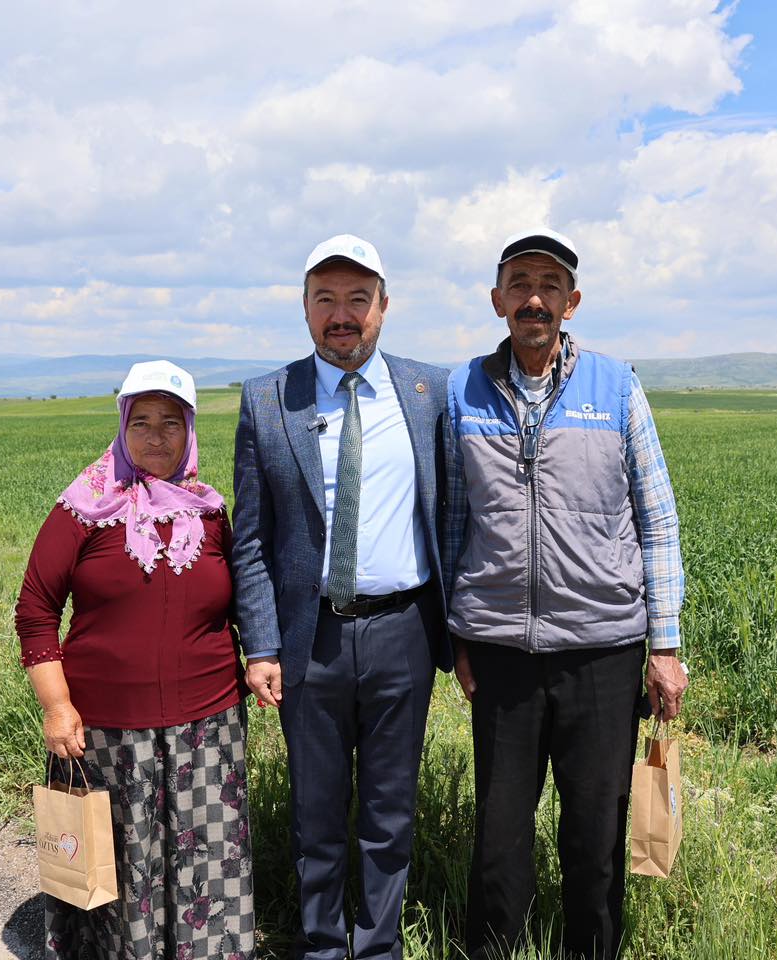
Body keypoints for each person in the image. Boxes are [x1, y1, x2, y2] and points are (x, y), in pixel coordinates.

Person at [442, 228, 688, 960]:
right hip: (501, 652)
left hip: (604, 650)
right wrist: (456, 633)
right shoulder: (462, 391)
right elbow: (451, 519)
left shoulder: (616, 386)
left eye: (549, 285)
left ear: (572, 302)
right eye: (519, 284)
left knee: (595, 835)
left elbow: (657, 518)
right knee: (499, 839)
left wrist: (665, 645)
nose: (534, 299)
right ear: (497, 300)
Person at [230, 234, 453, 960]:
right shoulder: (269, 399)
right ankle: (323, 946)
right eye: (324, 298)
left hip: (404, 632)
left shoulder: (431, 393)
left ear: (385, 306)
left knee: (390, 814)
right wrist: (261, 644)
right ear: (304, 307)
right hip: (310, 638)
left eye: (358, 298)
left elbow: (456, 515)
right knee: (316, 814)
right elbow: (251, 538)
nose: (341, 314)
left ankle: (379, 947)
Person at [16, 360, 255, 960]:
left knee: (209, 858)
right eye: (141, 421)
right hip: (108, 732)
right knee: (124, 863)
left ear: (190, 430)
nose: (155, 436)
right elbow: (36, 609)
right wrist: (57, 706)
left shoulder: (209, 512)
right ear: (122, 426)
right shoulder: (82, 509)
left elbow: (242, 604)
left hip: (209, 724)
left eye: (171, 422)